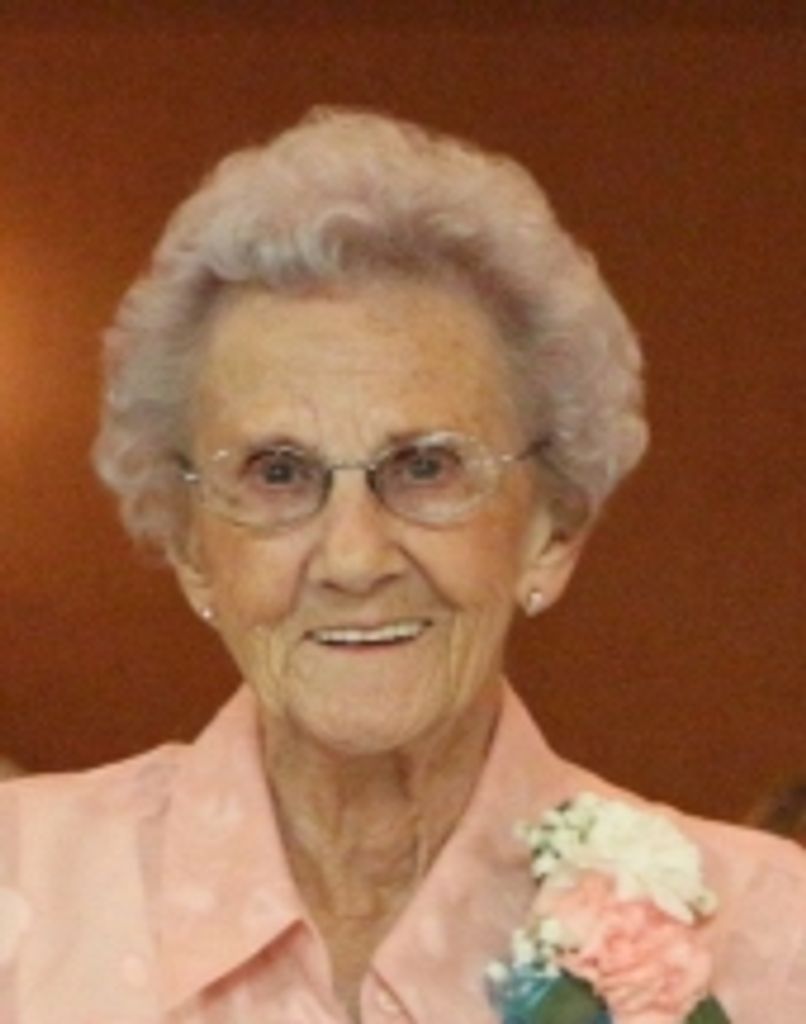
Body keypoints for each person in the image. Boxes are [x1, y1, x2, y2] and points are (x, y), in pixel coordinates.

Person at [1, 109, 804, 1023]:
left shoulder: (770, 939)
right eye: (278, 473)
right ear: (191, 549)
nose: (353, 557)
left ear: (553, 530)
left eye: (426, 467)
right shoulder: (21, 890)